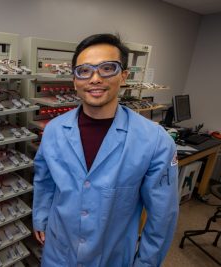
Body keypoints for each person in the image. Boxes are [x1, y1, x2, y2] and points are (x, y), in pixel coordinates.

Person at [32, 33, 179, 267]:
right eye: (84, 71)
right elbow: (44, 180)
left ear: (123, 76)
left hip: (112, 255)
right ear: (74, 80)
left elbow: (162, 217)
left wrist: (147, 263)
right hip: (58, 251)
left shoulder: (155, 140)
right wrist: (40, 218)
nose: (95, 78)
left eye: (107, 68)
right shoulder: (54, 130)